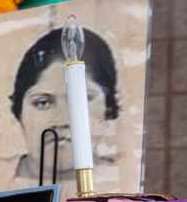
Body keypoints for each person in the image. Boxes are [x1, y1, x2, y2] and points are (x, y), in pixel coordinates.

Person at [9, 28, 120, 185]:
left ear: (108, 109)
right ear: (18, 112)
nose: (62, 120)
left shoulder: (124, 180)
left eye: (79, 100)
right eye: (43, 103)